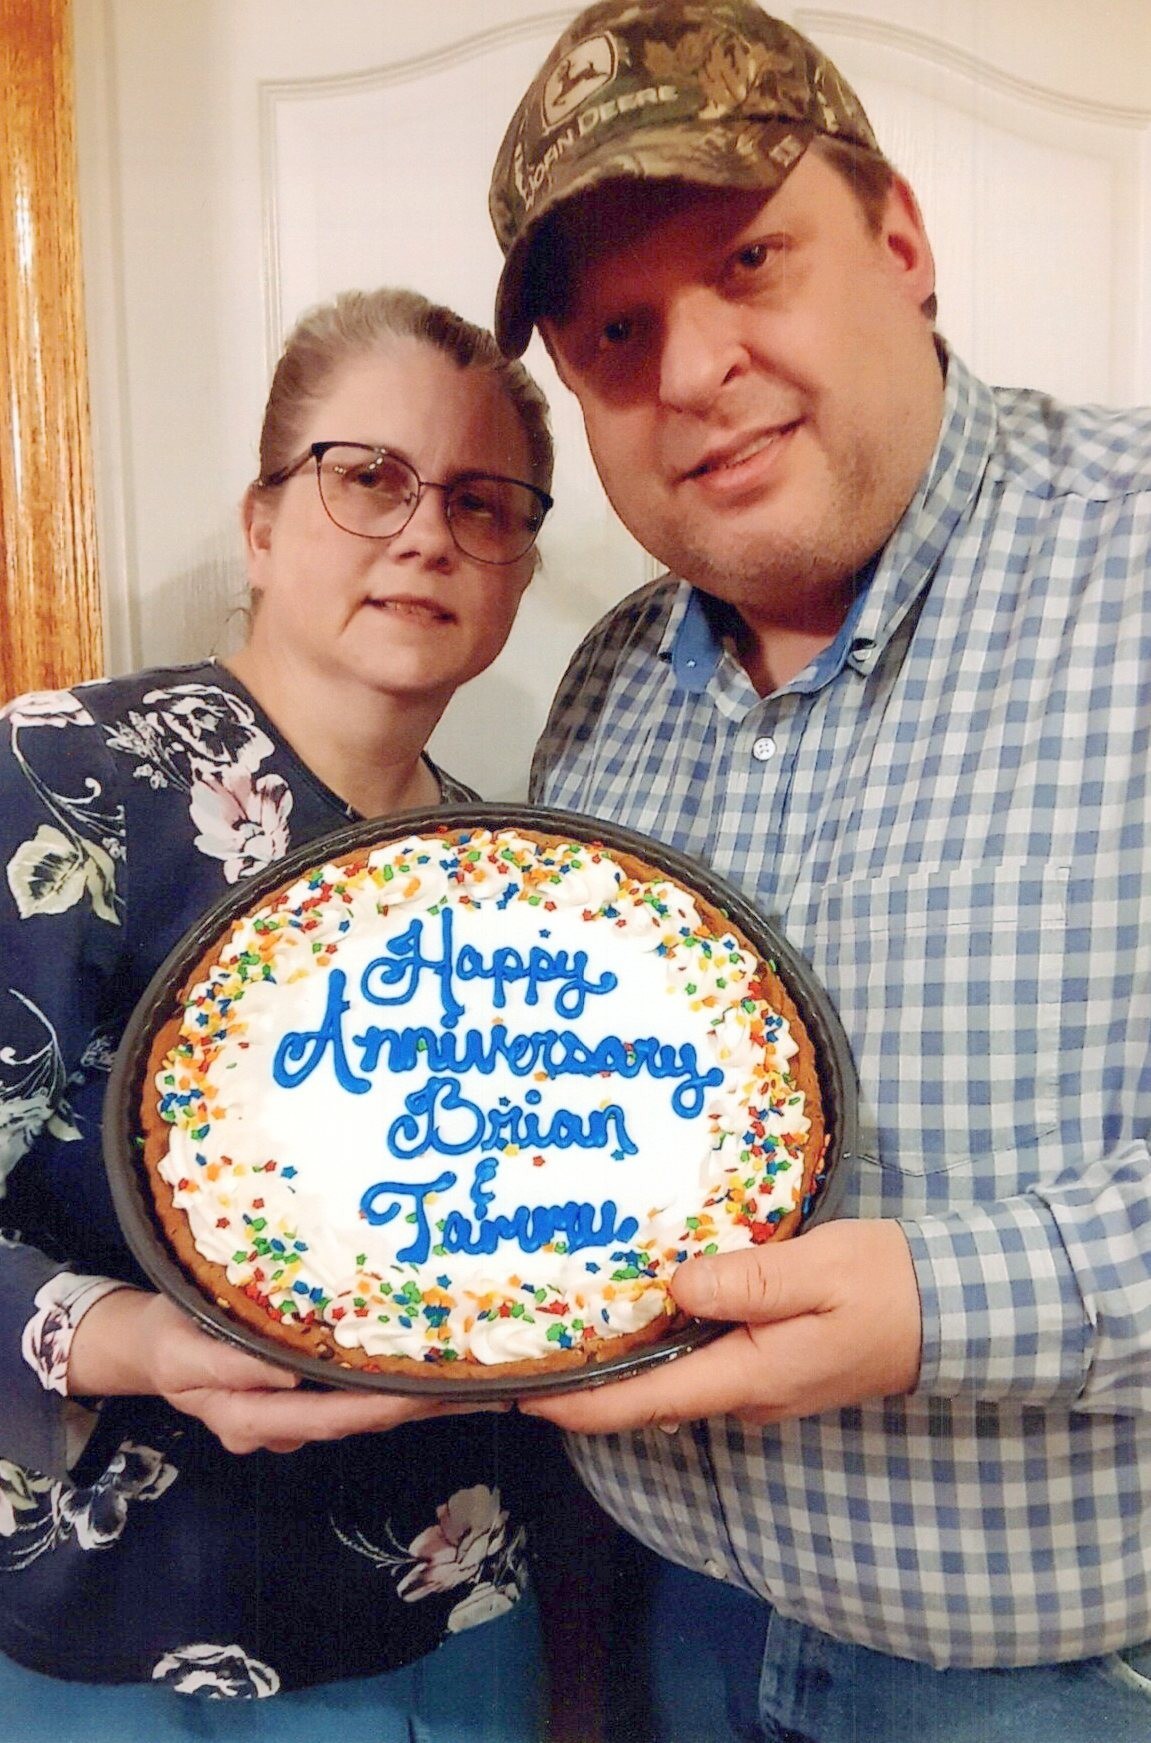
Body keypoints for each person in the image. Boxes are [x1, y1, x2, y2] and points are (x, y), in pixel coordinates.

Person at [485, 3, 1151, 1739]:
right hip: (655, 1625)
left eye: (750, 260)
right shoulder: (605, 684)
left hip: (1061, 1685)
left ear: (902, 244)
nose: (691, 370)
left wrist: (941, 1302)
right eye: (617, 330)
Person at [0, 286, 560, 1740]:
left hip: (464, 1618)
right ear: (260, 524)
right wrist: (136, 1341)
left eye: (482, 503)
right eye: (368, 476)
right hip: (123, 1645)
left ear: (517, 569)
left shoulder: (526, 879)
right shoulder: (62, 783)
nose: (426, 535)